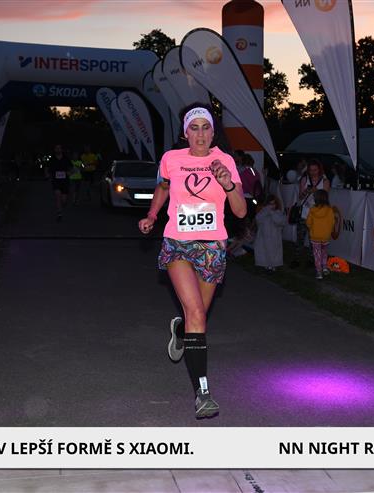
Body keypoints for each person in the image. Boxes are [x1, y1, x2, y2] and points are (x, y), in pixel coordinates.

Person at [138, 104, 246, 419]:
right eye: (194, 128)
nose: (200, 134)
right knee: (197, 313)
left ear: (213, 132)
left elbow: (240, 211)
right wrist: (152, 214)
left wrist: (227, 183)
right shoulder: (171, 159)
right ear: (185, 133)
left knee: (196, 319)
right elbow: (163, 187)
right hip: (178, 244)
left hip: (212, 248)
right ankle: (203, 393)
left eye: (205, 127)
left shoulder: (225, 161)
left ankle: (181, 329)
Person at [291, 159, 330, 268]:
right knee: (300, 238)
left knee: (314, 239)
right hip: (304, 213)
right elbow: (300, 197)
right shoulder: (304, 179)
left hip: (317, 215)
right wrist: (305, 192)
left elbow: (325, 199)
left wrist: (316, 191)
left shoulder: (325, 181)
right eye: (311, 170)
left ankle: (311, 260)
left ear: (319, 170)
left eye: (315, 170)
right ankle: (296, 259)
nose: (313, 172)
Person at [306, 189, 335, 279]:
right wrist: (328, 231)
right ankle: (325, 268)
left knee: (317, 254)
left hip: (315, 236)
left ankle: (319, 271)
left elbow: (308, 223)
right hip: (325, 236)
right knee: (324, 252)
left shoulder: (312, 210)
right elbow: (332, 222)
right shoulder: (329, 210)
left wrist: (313, 228)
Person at [253, 194, 286, 272]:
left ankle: (272, 265)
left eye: (273, 204)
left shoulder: (278, 212)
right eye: (270, 204)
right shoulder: (263, 212)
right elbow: (258, 219)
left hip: (274, 237)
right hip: (263, 236)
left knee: (273, 252)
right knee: (264, 251)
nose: (271, 206)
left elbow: (280, 222)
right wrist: (266, 211)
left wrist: (272, 213)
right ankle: (265, 265)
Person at [47, 144, 72, 221]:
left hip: (65, 181)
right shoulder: (52, 159)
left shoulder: (66, 158)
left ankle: (62, 204)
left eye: (59, 148)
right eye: (56, 148)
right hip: (56, 180)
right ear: (54, 150)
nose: (58, 149)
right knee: (57, 195)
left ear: (61, 149)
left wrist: (70, 173)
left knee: (64, 200)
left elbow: (71, 168)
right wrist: (47, 174)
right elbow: (47, 168)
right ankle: (59, 213)